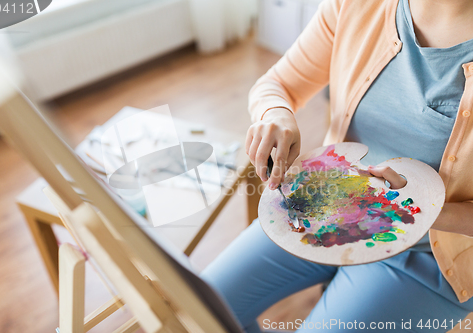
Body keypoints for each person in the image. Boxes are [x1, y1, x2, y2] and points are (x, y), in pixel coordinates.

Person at [201, 0, 473, 332]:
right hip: (323, 207)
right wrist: (275, 113)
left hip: (429, 257)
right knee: (200, 309)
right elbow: (276, 85)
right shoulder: (358, 5)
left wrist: (423, 210)